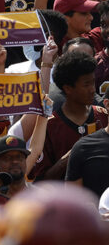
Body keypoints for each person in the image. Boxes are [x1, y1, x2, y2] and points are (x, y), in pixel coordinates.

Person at [33, 50, 108, 181]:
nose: (92, 90)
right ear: (68, 88)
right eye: (86, 84)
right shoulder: (49, 126)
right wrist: (71, 157)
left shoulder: (103, 116)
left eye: (93, 82)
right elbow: (41, 181)